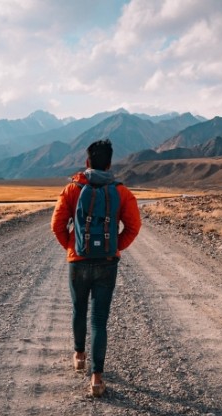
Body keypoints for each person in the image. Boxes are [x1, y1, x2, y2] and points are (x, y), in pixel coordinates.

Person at [51, 139, 141, 397]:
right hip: (107, 264)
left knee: (79, 309)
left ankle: (79, 356)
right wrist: (114, 247)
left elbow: (57, 225)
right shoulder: (122, 192)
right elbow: (133, 227)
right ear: (110, 163)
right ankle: (96, 379)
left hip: (77, 262)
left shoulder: (72, 189)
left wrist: (73, 247)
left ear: (87, 162)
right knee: (99, 320)